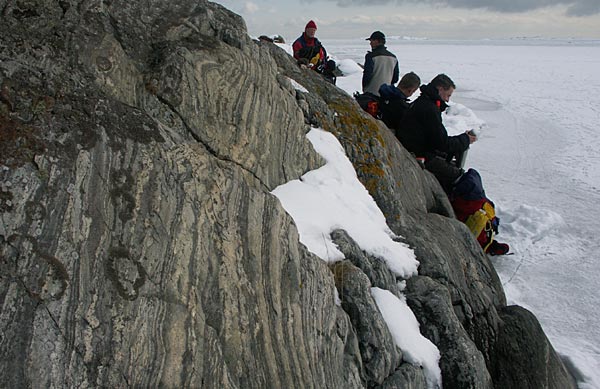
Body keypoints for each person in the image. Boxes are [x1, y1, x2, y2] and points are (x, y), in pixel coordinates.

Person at [396, 73, 475, 193]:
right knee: (458, 175)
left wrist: (462, 139)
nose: (448, 100)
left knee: (448, 159)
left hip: (415, 149)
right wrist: (465, 139)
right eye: (448, 95)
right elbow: (442, 143)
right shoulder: (429, 109)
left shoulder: (423, 102)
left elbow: (437, 139)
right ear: (440, 89)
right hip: (418, 154)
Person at [362, 31, 399, 97]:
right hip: (386, 95)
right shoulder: (393, 57)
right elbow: (395, 78)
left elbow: (367, 75)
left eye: (372, 40)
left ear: (377, 41)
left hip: (371, 94)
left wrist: (364, 88)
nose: (370, 43)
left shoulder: (371, 56)